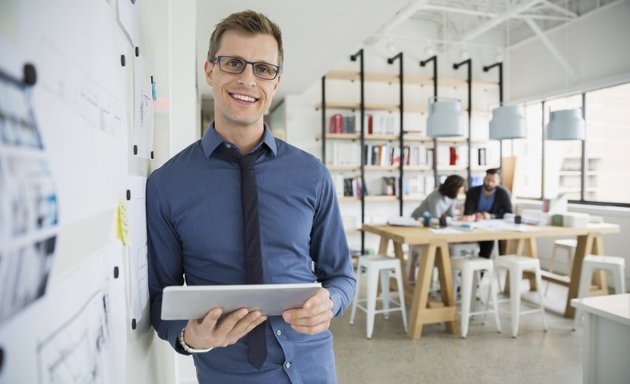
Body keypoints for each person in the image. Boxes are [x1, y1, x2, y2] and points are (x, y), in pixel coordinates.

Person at [147, 10, 355, 384]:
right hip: (229, 373)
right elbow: (159, 297)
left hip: (314, 368)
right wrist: (189, 337)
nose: (247, 79)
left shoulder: (312, 174)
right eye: (233, 63)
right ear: (210, 71)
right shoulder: (167, 184)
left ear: (275, 82)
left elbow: (341, 276)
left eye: (263, 68)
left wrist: (331, 302)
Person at [407, 174, 466, 283]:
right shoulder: (436, 196)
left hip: (433, 225)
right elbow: (436, 216)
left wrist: (459, 216)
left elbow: (451, 214)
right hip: (419, 223)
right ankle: (413, 278)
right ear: (455, 186)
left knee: (447, 246)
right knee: (418, 251)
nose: (463, 189)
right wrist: (447, 219)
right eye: (461, 186)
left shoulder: (451, 197)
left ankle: (443, 279)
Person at [463, 168, 513, 258]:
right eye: (487, 180)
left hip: (491, 229)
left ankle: (483, 266)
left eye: (493, 181)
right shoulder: (472, 192)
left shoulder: (503, 193)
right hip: (473, 227)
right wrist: (475, 216)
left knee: (489, 239)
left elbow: (509, 213)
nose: (489, 183)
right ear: (484, 179)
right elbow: (468, 211)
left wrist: (491, 216)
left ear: (498, 181)